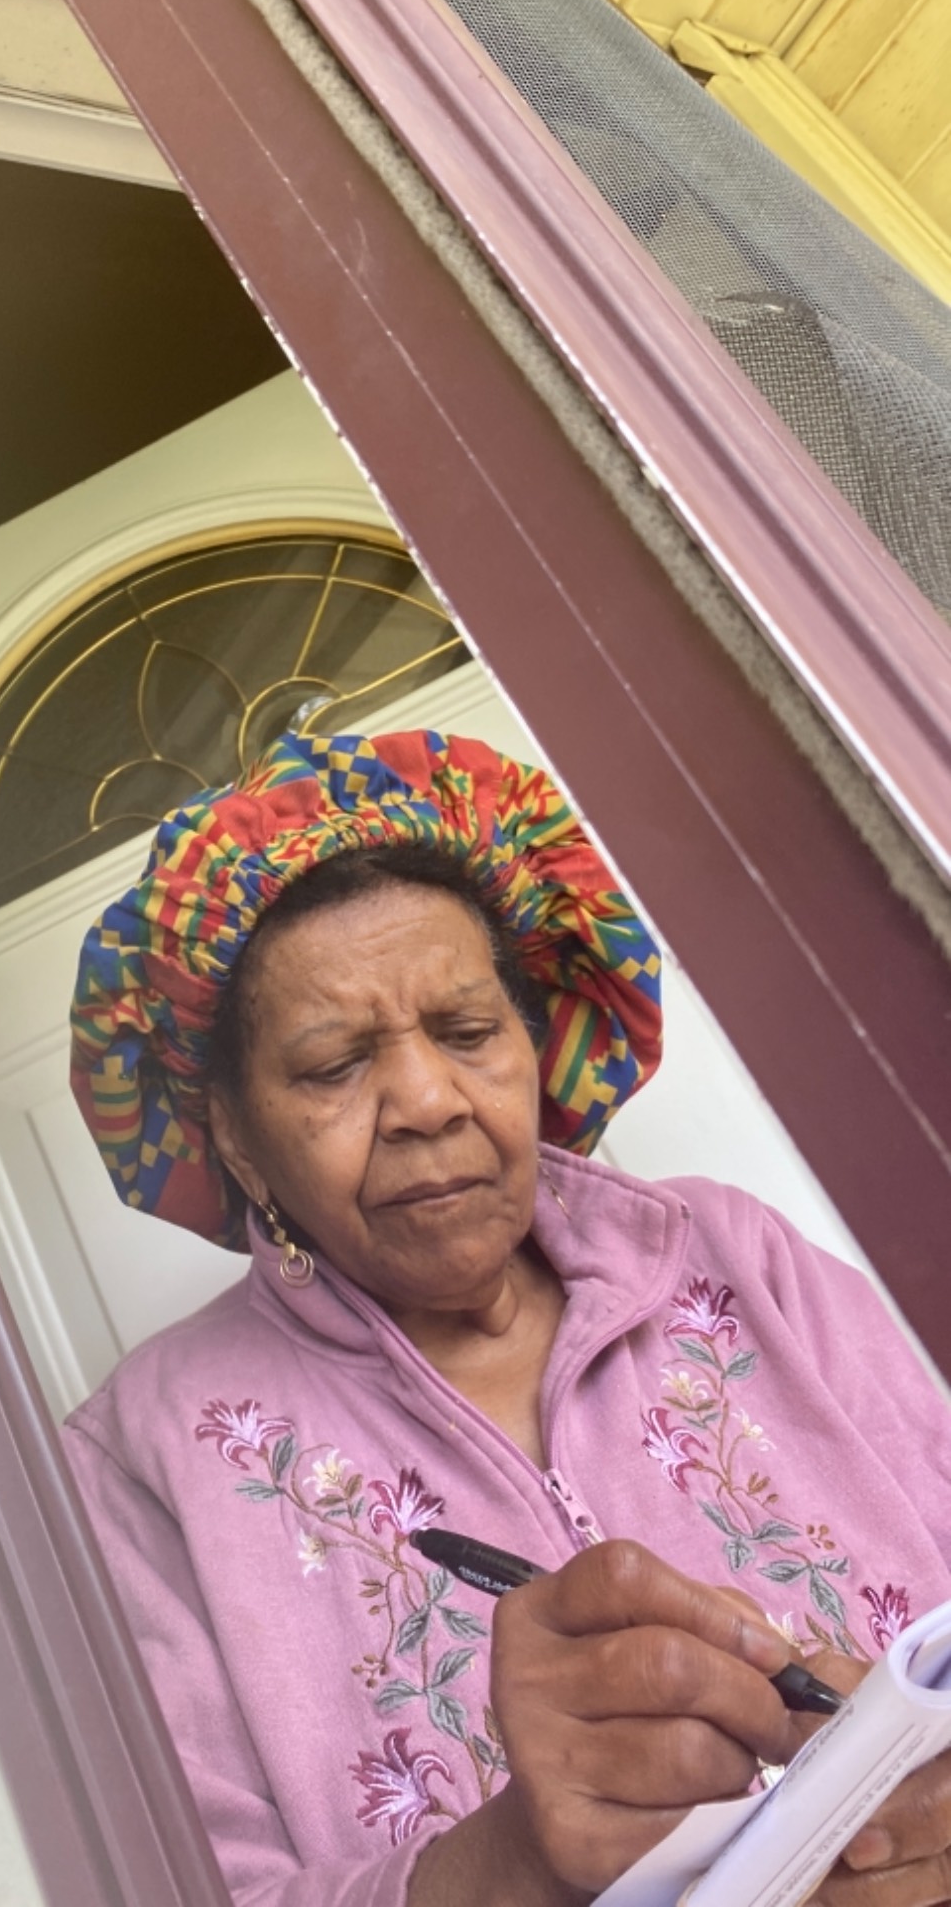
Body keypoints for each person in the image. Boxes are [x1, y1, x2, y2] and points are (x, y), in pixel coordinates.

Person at [65, 728, 951, 1907]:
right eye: (333, 1064)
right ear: (233, 1132)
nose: (428, 1099)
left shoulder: (734, 1253)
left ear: (532, 1045)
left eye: (469, 1031)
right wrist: (515, 1859)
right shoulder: (143, 1459)